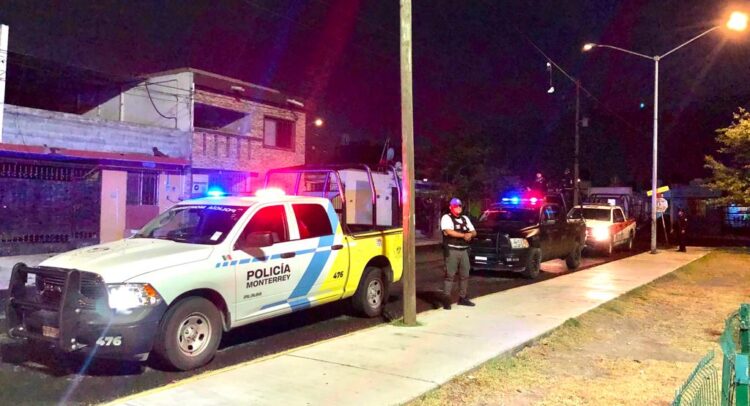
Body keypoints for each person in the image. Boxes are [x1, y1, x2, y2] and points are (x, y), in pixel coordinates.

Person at [440, 197, 477, 309]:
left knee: (465, 274)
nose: (458, 208)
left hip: (464, 250)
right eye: (456, 206)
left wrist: (470, 234)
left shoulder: (465, 218)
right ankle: (446, 299)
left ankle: (463, 297)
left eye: (460, 206)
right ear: (451, 207)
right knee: (450, 275)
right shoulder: (446, 218)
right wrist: (464, 235)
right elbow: (448, 231)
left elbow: (474, 231)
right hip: (452, 250)